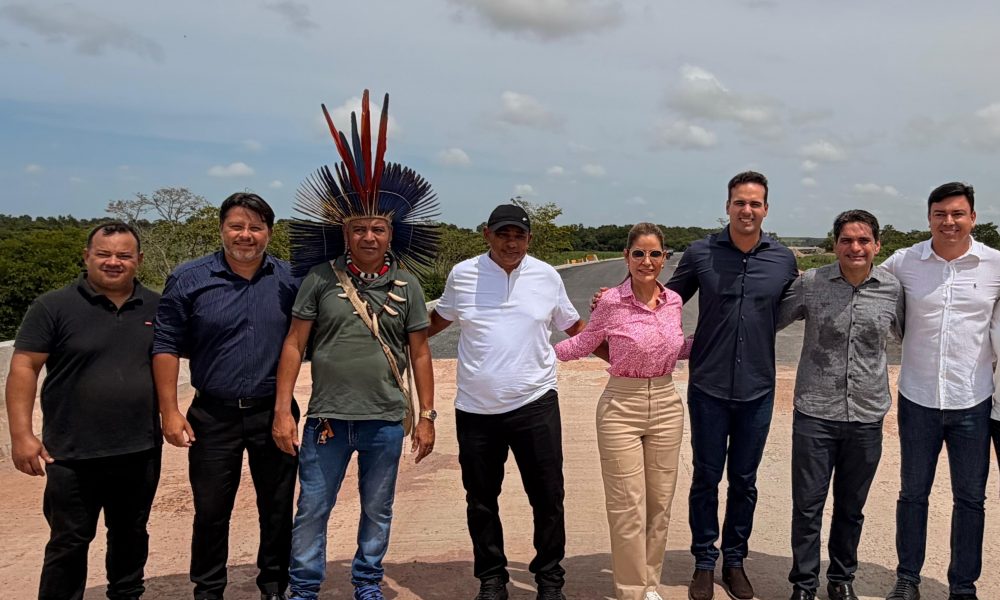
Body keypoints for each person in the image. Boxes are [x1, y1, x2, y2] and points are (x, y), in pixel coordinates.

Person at [593, 172, 797, 599]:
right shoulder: (703, 253)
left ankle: (734, 561)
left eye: (755, 203)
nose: (747, 210)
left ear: (766, 209)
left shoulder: (783, 260)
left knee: (744, 480)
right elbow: (661, 298)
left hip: (758, 387)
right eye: (739, 202)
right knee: (705, 477)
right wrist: (614, 300)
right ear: (727, 206)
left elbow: (791, 308)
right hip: (708, 386)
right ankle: (704, 561)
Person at [272, 89, 438, 600]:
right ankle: (304, 587)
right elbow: (294, 345)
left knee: (378, 508)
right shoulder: (320, 279)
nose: (368, 236)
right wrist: (282, 410)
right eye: (359, 228)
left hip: (385, 419)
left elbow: (420, 352)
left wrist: (427, 415)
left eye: (378, 228)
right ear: (345, 233)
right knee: (313, 507)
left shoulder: (407, 285)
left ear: (391, 233)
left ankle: (367, 581)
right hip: (327, 418)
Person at [428, 203, 585, 600]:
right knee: (481, 500)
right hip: (476, 410)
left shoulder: (546, 276)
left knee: (548, 497)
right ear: (487, 234)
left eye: (519, 235)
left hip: (535, 402)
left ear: (529, 239)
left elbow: (574, 327)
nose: (511, 243)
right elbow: (435, 322)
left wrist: (622, 357)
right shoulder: (463, 274)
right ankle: (492, 578)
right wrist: (386, 339)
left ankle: (549, 580)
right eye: (503, 234)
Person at [153, 192, 300, 600]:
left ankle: (274, 586)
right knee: (211, 510)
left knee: (277, 506)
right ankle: (209, 589)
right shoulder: (189, 278)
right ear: (221, 229)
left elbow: (311, 337)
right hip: (213, 415)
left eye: (255, 227)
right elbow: (165, 344)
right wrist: (169, 410)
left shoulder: (291, 280)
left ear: (269, 232)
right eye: (237, 226)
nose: (245, 235)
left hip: (274, 411)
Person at [5, 222, 161, 600]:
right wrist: (21, 435)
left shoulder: (158, 307)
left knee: (130, 536)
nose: (113, 262)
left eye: (124, 255)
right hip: (72, 451)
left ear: (138, 260)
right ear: (86, 256)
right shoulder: (53, 306)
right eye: (103, 254)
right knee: (69, 542)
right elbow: (24, 367)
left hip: (139, 447)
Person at [554, 222, 690, 600]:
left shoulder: (674, 301)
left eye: (654, 254)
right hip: (621, 407)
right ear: (627, 257)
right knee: (627, 505)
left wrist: (719, 340)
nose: (647, 261)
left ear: (664, 258)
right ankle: (631, 591)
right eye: (639, 253)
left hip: (666, 404)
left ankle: (650, 585)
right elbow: (585, 342)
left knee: (660, 504)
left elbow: (676, 347)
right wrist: (541, 355)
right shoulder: (611, 301)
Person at [881, 182, 1000, 600]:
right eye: (940, 214)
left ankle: (963, 587)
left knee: (970, 499)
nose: (949, 222)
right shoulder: (905, 261)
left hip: (973, 400)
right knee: (913, 494)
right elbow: (864, 280)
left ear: (973, 217)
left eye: (957, 213)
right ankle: (907, 580)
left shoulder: (995, 265)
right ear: (929, 217)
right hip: (918, 398)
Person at [777, 210, 904, 600]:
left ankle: (841, 578)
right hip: (815, 412)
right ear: (835, 245)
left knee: (851, 506)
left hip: (866, 414)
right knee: (808, 505)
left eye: (864, 240)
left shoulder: (892, 289)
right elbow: (768, 319)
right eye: (847, 240)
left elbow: (913, 334)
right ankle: (804, 583)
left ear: (877, 245)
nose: (855, 247)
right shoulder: (811, 284)